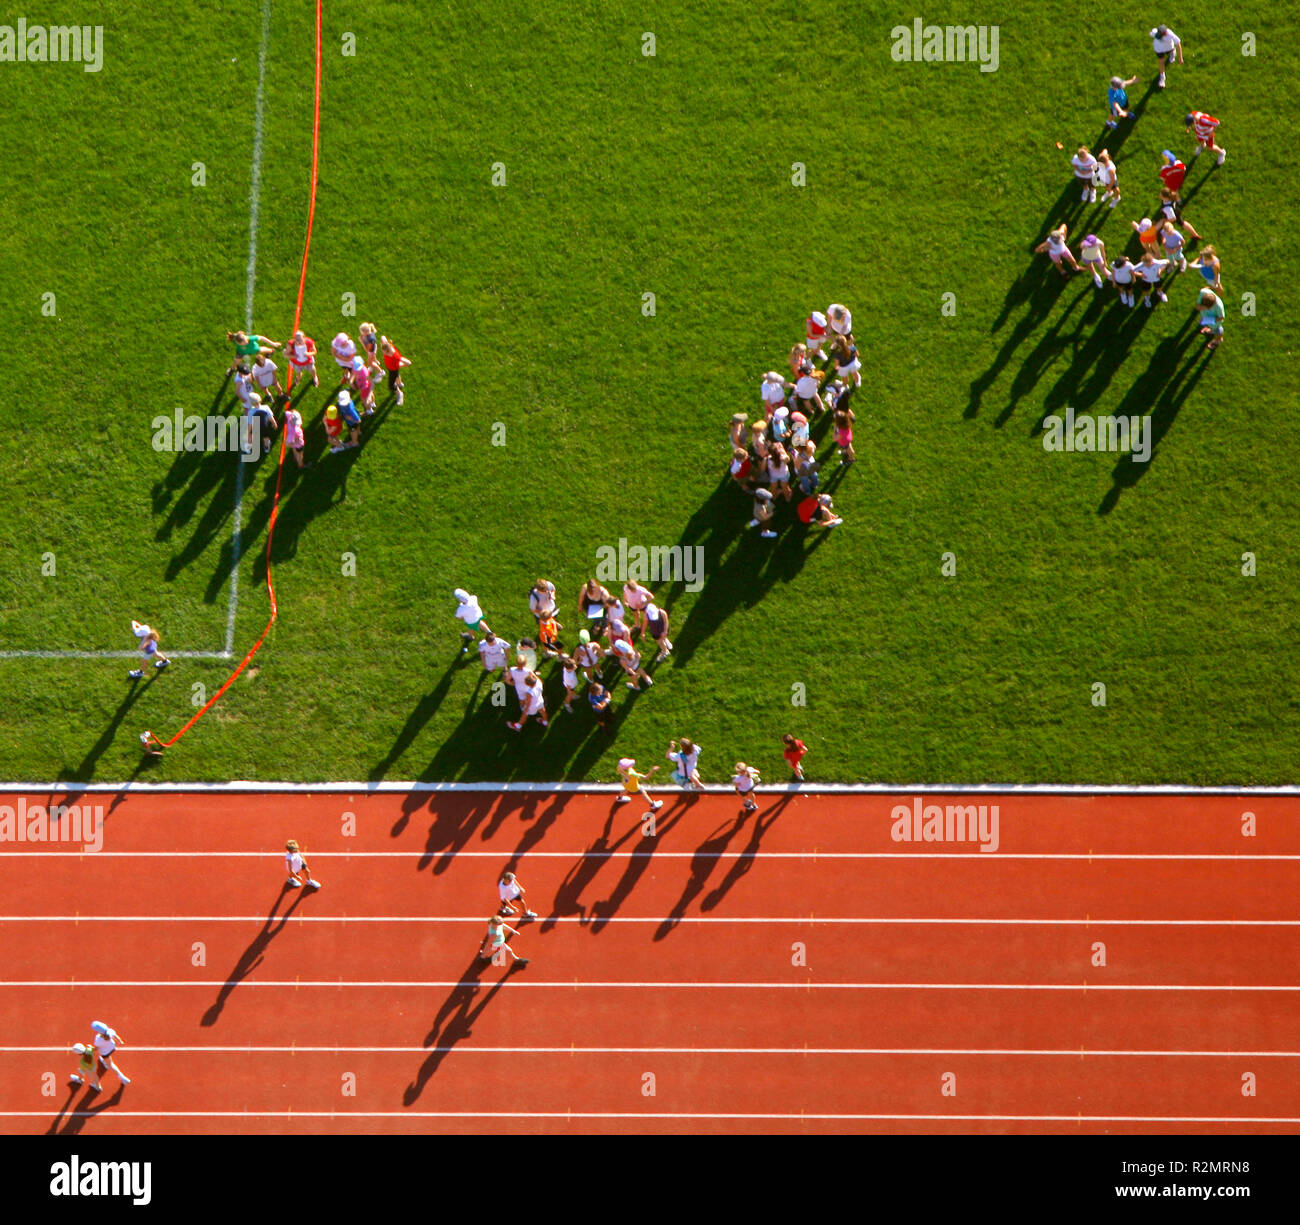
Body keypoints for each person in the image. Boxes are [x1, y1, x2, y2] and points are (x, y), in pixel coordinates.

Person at [90, 1021, 130, 1086]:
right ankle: (104, 1061)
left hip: (105, 1053)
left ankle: (123, 1078)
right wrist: (120, 1041)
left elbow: (96, 1048)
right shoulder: (110, 1031)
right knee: (105, 1060)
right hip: (112, 1048)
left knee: (110, 1066)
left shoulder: (98, 1039)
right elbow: (116, 1036)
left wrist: (90, 1049)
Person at [1149, 24, 1182, 89]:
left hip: (1169, 48)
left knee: (1171, 52)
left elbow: (1178, 44)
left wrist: (1180, 57)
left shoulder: (1170, 34)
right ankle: (1162, 78)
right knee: (1161, 62)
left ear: (1166, 33)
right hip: (1158, 50)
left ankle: (1172, 53)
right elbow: (1151, 33)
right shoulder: (1155, 32)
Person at [380, 336, 411, 406]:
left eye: (384, 353)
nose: (383, 353)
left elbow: (408, 362)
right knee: (397, 375)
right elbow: (383, 337)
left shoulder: (395, 356)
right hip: (391, 368)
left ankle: (400, 394)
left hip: (393, 369)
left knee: (391, 385)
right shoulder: (387, 346)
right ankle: (399, 383)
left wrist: (398, 365)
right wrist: (383, 341)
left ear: (388, 352)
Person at [282, 400, 311, 469]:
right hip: (299, 444)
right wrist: (295, 443)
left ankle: (295, 457)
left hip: (295, 444)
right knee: (300, 455)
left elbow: (286, 412)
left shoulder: (289, 416)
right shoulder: (295, 431)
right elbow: (287, 443)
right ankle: (301, 465)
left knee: (294, 450)